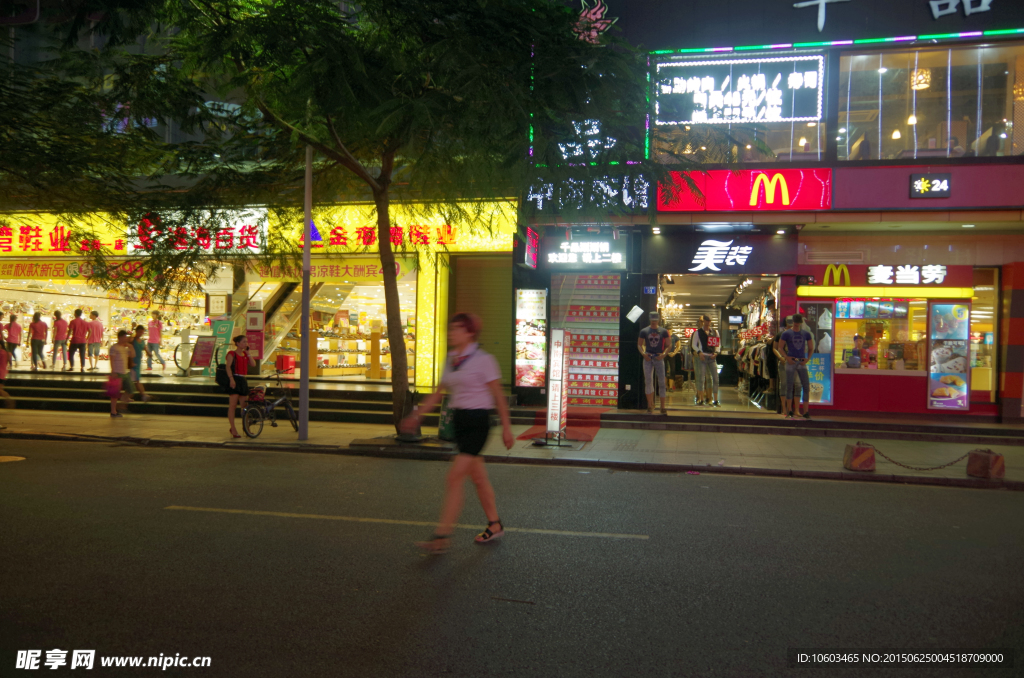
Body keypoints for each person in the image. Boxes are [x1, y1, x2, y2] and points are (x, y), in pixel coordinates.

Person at [400, 313, 513, 554]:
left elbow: (498, 396)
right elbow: (440, 392)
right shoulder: (451, 358)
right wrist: (417, 416)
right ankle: (495, 524)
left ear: (470, 332)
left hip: (478, 423)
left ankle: (442, 536)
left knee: (454, 478)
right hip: (459, 422)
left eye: (457, 329)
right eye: (451, 329)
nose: (451, 333)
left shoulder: (484, 359)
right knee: (479, 478)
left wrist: (506, 427)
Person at [780, 313, 814, 419]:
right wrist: (787, 357)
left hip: (798, 360)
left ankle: (804, 411)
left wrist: (807, 358)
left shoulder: (805, 333)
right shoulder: (787, 333)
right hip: (792, 360)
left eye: (798, 322)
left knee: (805, 386)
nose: (797, 324)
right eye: (796, 322)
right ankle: (790, 410)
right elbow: (780, 347)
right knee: (791, 386)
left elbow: (811, 347)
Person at [638, 311, 670, 415]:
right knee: (648, 381)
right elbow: (639, 344)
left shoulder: (664, 331)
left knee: (661, 382)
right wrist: (643, 354)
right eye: (652, 320)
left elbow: (669, 345)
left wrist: (663, 355)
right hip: (648, 356)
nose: (654, 322)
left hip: (658, 356)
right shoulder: (644, 331)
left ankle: (662, 406)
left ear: (658, 320)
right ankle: (650, 404)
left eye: (655, 320)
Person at [225, 334, 256, 438]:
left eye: (246, 342)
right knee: (233, 406)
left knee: (244, 407)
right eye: (243, 342)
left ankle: (246, 427)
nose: (245, 344)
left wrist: (249, 353)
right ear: (237, 343)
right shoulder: (231, 354)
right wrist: (231, 379)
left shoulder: (244, 354)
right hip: (234, 378)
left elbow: (253, 364)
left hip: (243, 380)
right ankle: (233, 428)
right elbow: (228, 367)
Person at [691, 314, 721, 407]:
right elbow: (693, 345)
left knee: (715, 378)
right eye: (706, 321)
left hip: (711, 356)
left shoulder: (715, 332)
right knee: (701, 378)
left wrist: (716, 352)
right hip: (703, 356)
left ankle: (714, 399)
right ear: (703, 321)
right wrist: (699, 352)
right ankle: (701, 399)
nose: (708, 323)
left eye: (709, 321)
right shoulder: (698, 332)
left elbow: (718, 344)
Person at [108, 329, 136, 417]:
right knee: (115, 394)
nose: (126, 339)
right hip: (117, 372)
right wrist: (113, 371)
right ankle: (113, 411)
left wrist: (130, 347)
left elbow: (132, 355)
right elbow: (111, 359)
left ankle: (124, 398)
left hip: (125, 372)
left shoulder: (125, 347)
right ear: (120, 337)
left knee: (131, 388)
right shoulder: (114, 347)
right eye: (125, 337)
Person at [772, 316, 794, 417]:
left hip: (794, 362)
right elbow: (775, 348)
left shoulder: (797, 335)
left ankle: (790, 408)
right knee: (784, 384)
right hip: (784, 362)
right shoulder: (780, 334)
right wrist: (781, 358)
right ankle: (784, 408)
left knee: (794, 385)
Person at [131, 325, 153, 402]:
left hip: (138, 362)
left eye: (142, 332)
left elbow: (145, 348)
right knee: (136, 380)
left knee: (136, 380)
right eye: (140, 332)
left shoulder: (142, 341)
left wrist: (149, 353)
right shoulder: (132, 340)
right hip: (133, 362)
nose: (141, 333)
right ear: (136, 331)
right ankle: (143, 395)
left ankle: (141, 395)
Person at [68, 309, 89, 373]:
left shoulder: (73, 321)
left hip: (75, 340)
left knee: (71, 353)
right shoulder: (85, 322)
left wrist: (67, 339)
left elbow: (70, 330)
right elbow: (90, 331)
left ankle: (72, 366)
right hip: (83, 340)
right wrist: (87, 338)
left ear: (75, 314)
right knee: (82, 354)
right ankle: (82, 367)